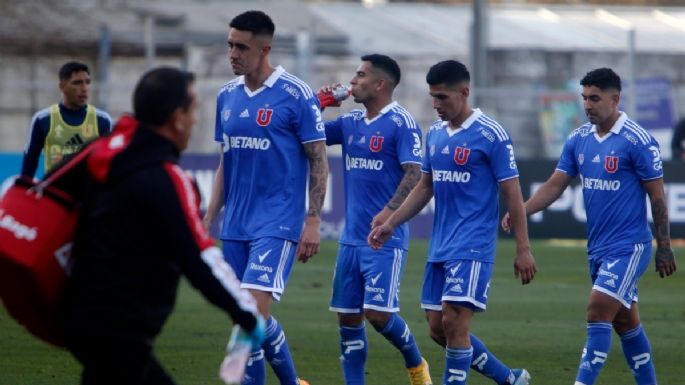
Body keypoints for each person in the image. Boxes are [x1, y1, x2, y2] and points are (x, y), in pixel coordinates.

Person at [61, 67, 264, 385]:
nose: (196, 119)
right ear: (177, 117)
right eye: (193, 108)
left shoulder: (104, 154)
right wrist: (248, 314)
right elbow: (199, 258)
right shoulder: (166, 179)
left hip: (83, 317)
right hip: (120, 329)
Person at [502, 67, 677, 385]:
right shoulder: (578, 139)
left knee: (597, 310)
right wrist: (521, 211)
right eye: (584, 98)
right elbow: (555, 186)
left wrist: (664, 247)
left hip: (630, 247)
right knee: (625, 323)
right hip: (597, 249)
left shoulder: (637, 141)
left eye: (594, 98)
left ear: (615, 98)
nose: (587, 105)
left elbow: (658, 199)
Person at [369, 60, 536, 385]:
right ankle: (510, 379)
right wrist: (392, 221)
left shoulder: (491, 135)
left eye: (443, 97)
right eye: (433, 97)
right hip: (441, 245)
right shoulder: (435, 134)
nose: (436, 104)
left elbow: (513, 193)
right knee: (438, 328)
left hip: (473, 245)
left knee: (456, 322)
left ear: (464, 92)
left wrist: (523, 248)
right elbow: (425, 187)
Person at [203, 10, 328, 385]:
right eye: (230, 45)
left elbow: (319, 160)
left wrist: (313, 219)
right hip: (236, 224)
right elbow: (228, 162)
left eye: (241, 47)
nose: (233, 54)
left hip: (278, 221)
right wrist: (210, 217)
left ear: (264, 49)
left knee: (252, 315)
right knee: (247, 316)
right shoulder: (226, 97)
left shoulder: (296, 95)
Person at [318, 54, 432, 385]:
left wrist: (391, 212)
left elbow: (414, 172)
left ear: (380, 84)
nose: (352, 81)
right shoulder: (351, 122)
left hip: (385, 237)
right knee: (348, 318)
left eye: (360, 75)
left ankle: (415, 363)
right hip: (350, 238)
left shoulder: (401, 123)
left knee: (378, 314)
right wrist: (319, 102)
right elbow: (305, 134)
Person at [21, 61, 112, 178]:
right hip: (54, 192)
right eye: (77, 83)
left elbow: (107, 164)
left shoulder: (102, 120)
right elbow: (30, 162)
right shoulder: (43, 119)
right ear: (62, 87)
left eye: (87, 82)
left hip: (86, 195)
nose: (84, 88)